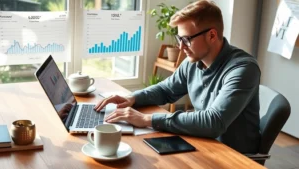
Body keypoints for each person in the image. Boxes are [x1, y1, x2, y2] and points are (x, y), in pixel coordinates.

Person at [94, 0, 261, 154]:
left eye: (187, 39)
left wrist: (146, 119)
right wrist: (132, 98)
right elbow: (166, 89)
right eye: (179, 39)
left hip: (231, 157)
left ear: (211, 35)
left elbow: (213, 122)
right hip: (202, 143)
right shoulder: (193, 61)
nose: (181, 47)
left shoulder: (243, 69)